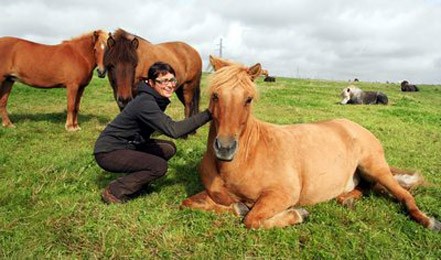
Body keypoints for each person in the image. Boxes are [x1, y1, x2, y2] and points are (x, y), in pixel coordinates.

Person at [94, 62, 211, 204]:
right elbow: (174, 130)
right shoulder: (145, 102)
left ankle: (137, 183)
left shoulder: (153, 97)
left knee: (168, 148)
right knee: (158, 166)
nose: (169, 85)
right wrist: (208, 113)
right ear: (150, 82)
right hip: (109, 151)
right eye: (162, 81)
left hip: (128, 145)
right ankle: (115, 191)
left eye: (171, 80)